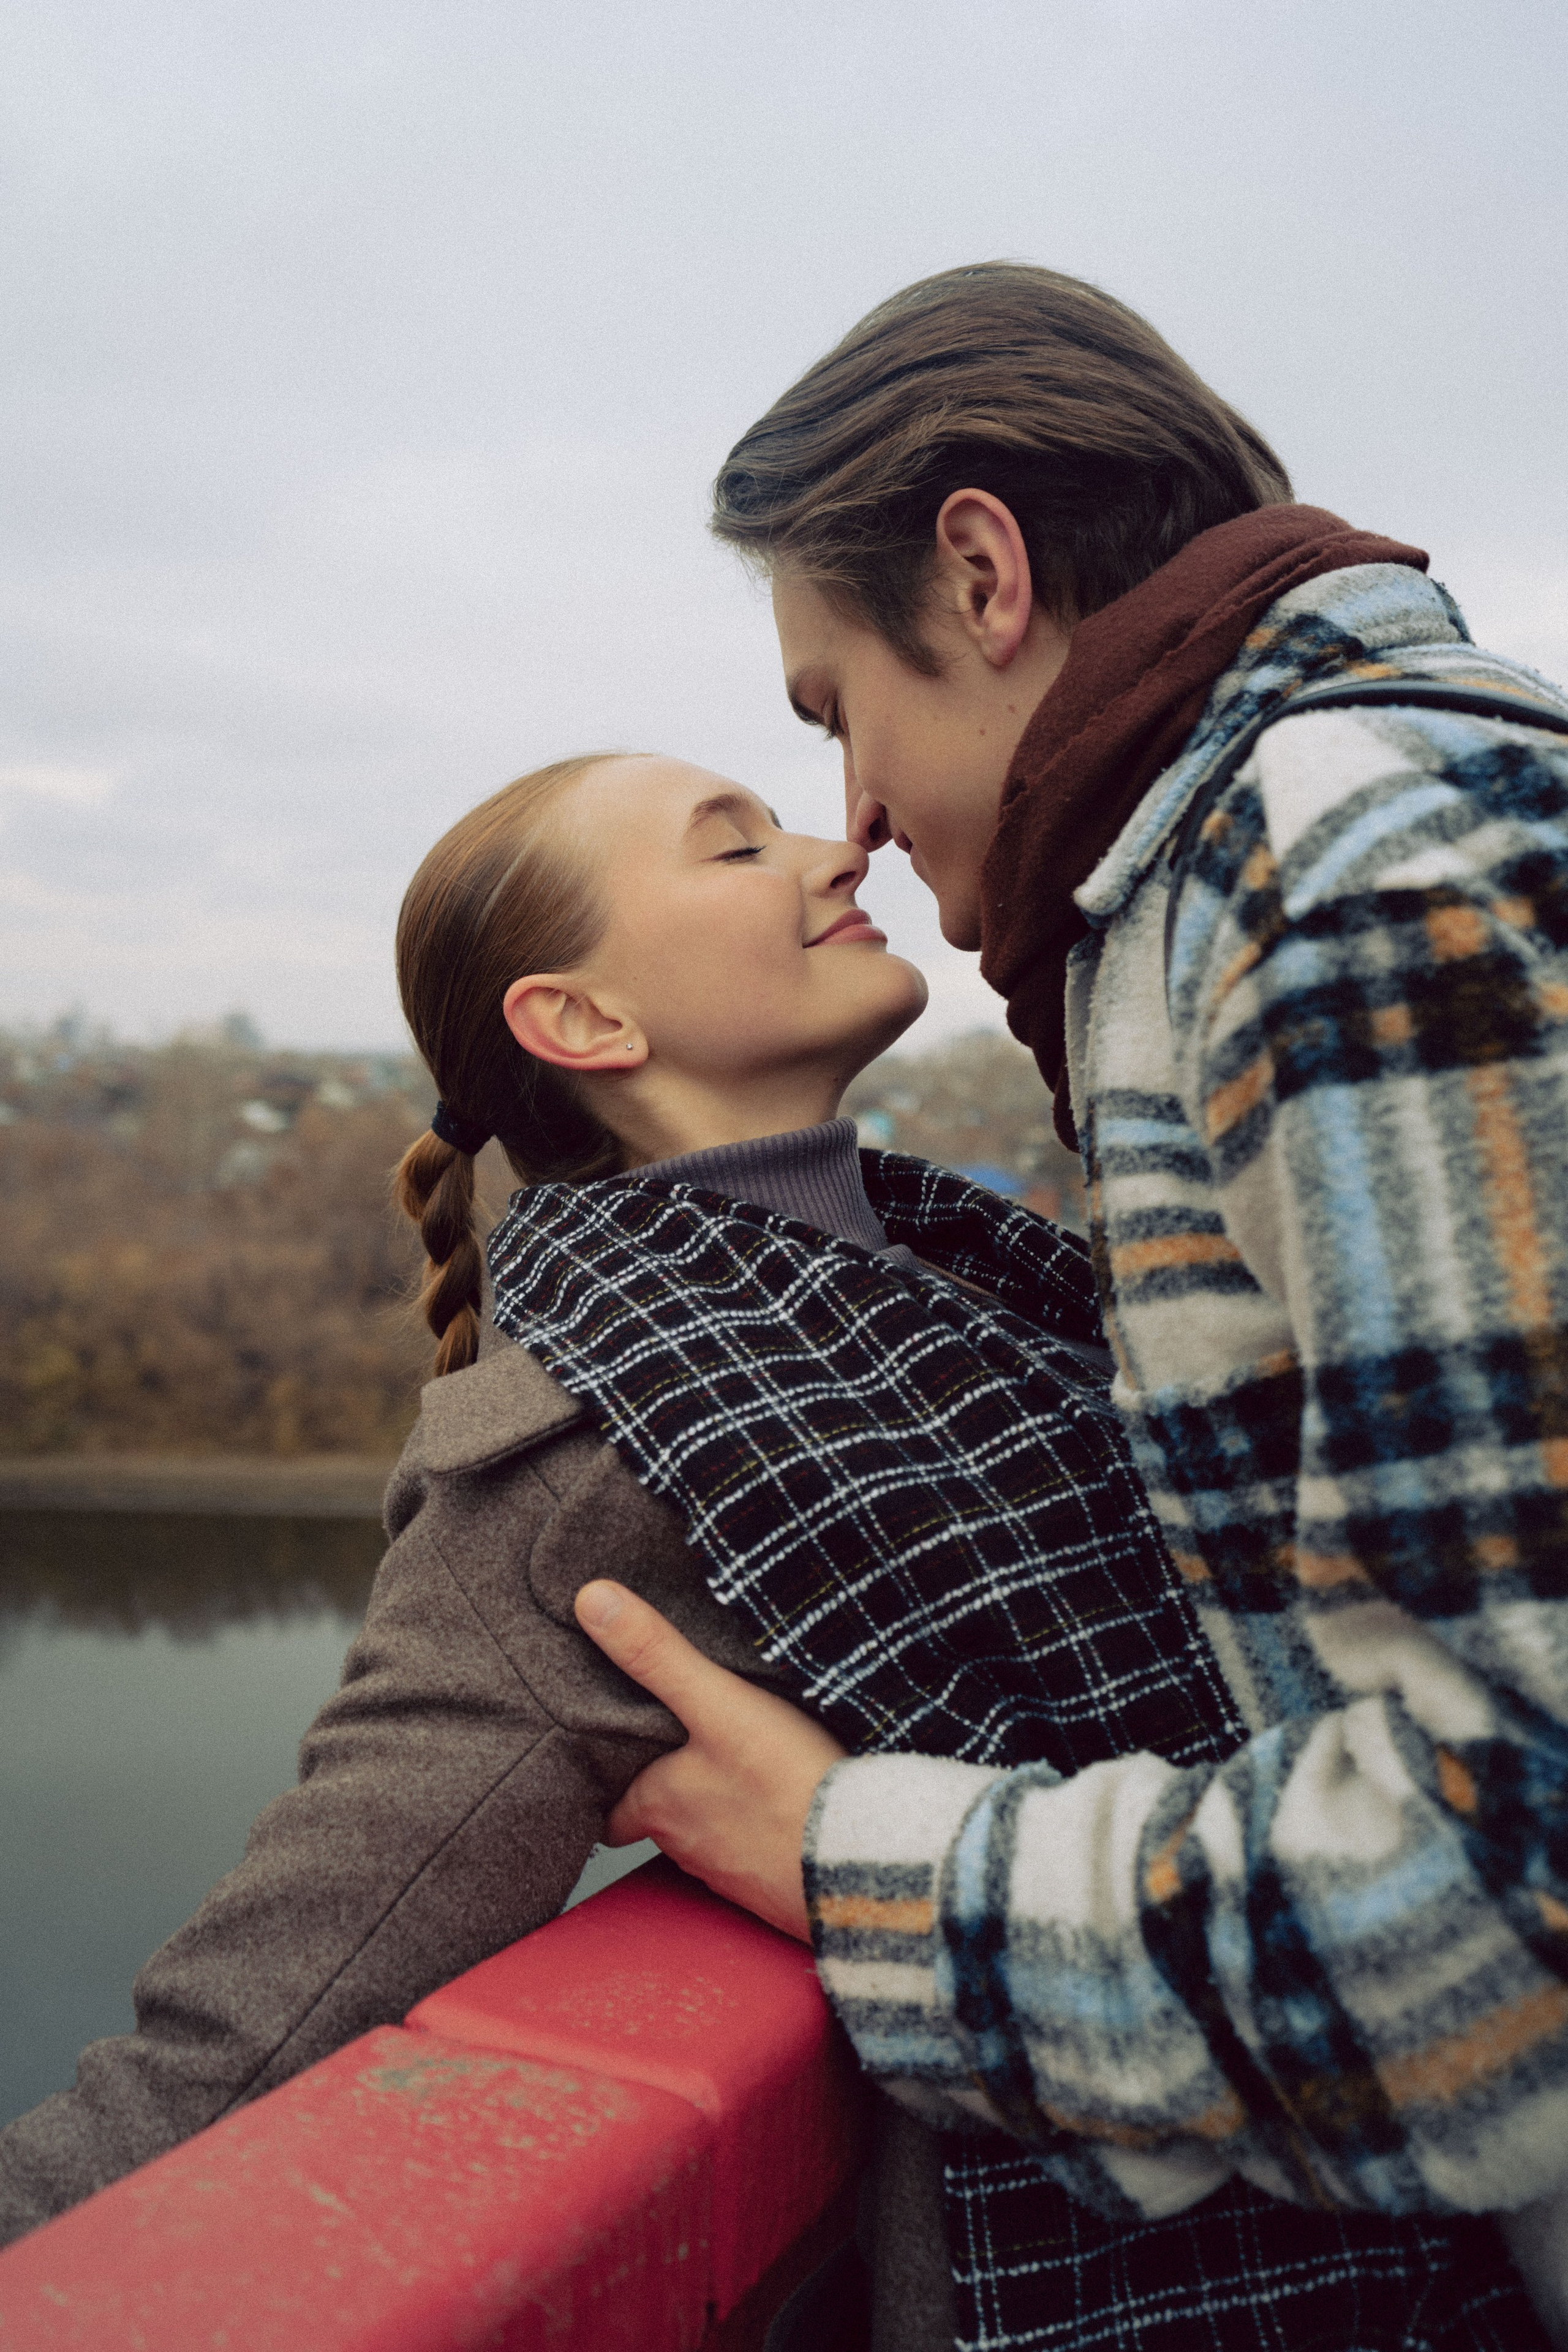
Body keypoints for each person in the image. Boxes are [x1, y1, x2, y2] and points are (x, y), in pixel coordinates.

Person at [568, 262, 1568, 2350]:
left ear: (984, 571)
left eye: (833, 715)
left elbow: (1520, 1905)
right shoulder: (1339, 834)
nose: (849, 818)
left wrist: (863, 1863)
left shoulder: (1344, 868)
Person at [0, 748, 1240, 2350]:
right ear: (584, 1023)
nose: (835, 851)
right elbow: (266, 2019)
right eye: (737, 850)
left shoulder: (984, 1276)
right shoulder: (585, 1470)